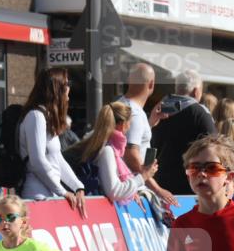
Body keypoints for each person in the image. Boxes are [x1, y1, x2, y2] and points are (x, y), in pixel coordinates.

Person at [18, 67, 86, 217]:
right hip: (37, 196)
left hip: (50, 195)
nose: (69, 88)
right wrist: (63, 191)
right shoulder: (36, 117)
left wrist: (78, 187)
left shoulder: (46, 117)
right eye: (66, 84)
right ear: (57, 89)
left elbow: (58, 160)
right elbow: (37, 161)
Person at [69, 101, 155, 205]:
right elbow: (114, 191)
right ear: (123, 125)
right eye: (130, 124)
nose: (129, 128)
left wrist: (132, 191)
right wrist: (143, 177)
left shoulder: (107, 146)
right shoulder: (107, 150)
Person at [117, 63, 177, 206]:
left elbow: (127, 139)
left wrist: (150, 122)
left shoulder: (121, 104)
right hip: (133, 191)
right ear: (151, 84)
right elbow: (130, 154)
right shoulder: (135, 113)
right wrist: (157, 189)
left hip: (127, 188)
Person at [151, 70, 217, 196]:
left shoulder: (159, 109)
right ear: (196, 91)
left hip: (161, 181)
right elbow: (214, 145)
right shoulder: (199, 112)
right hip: (189, 183)